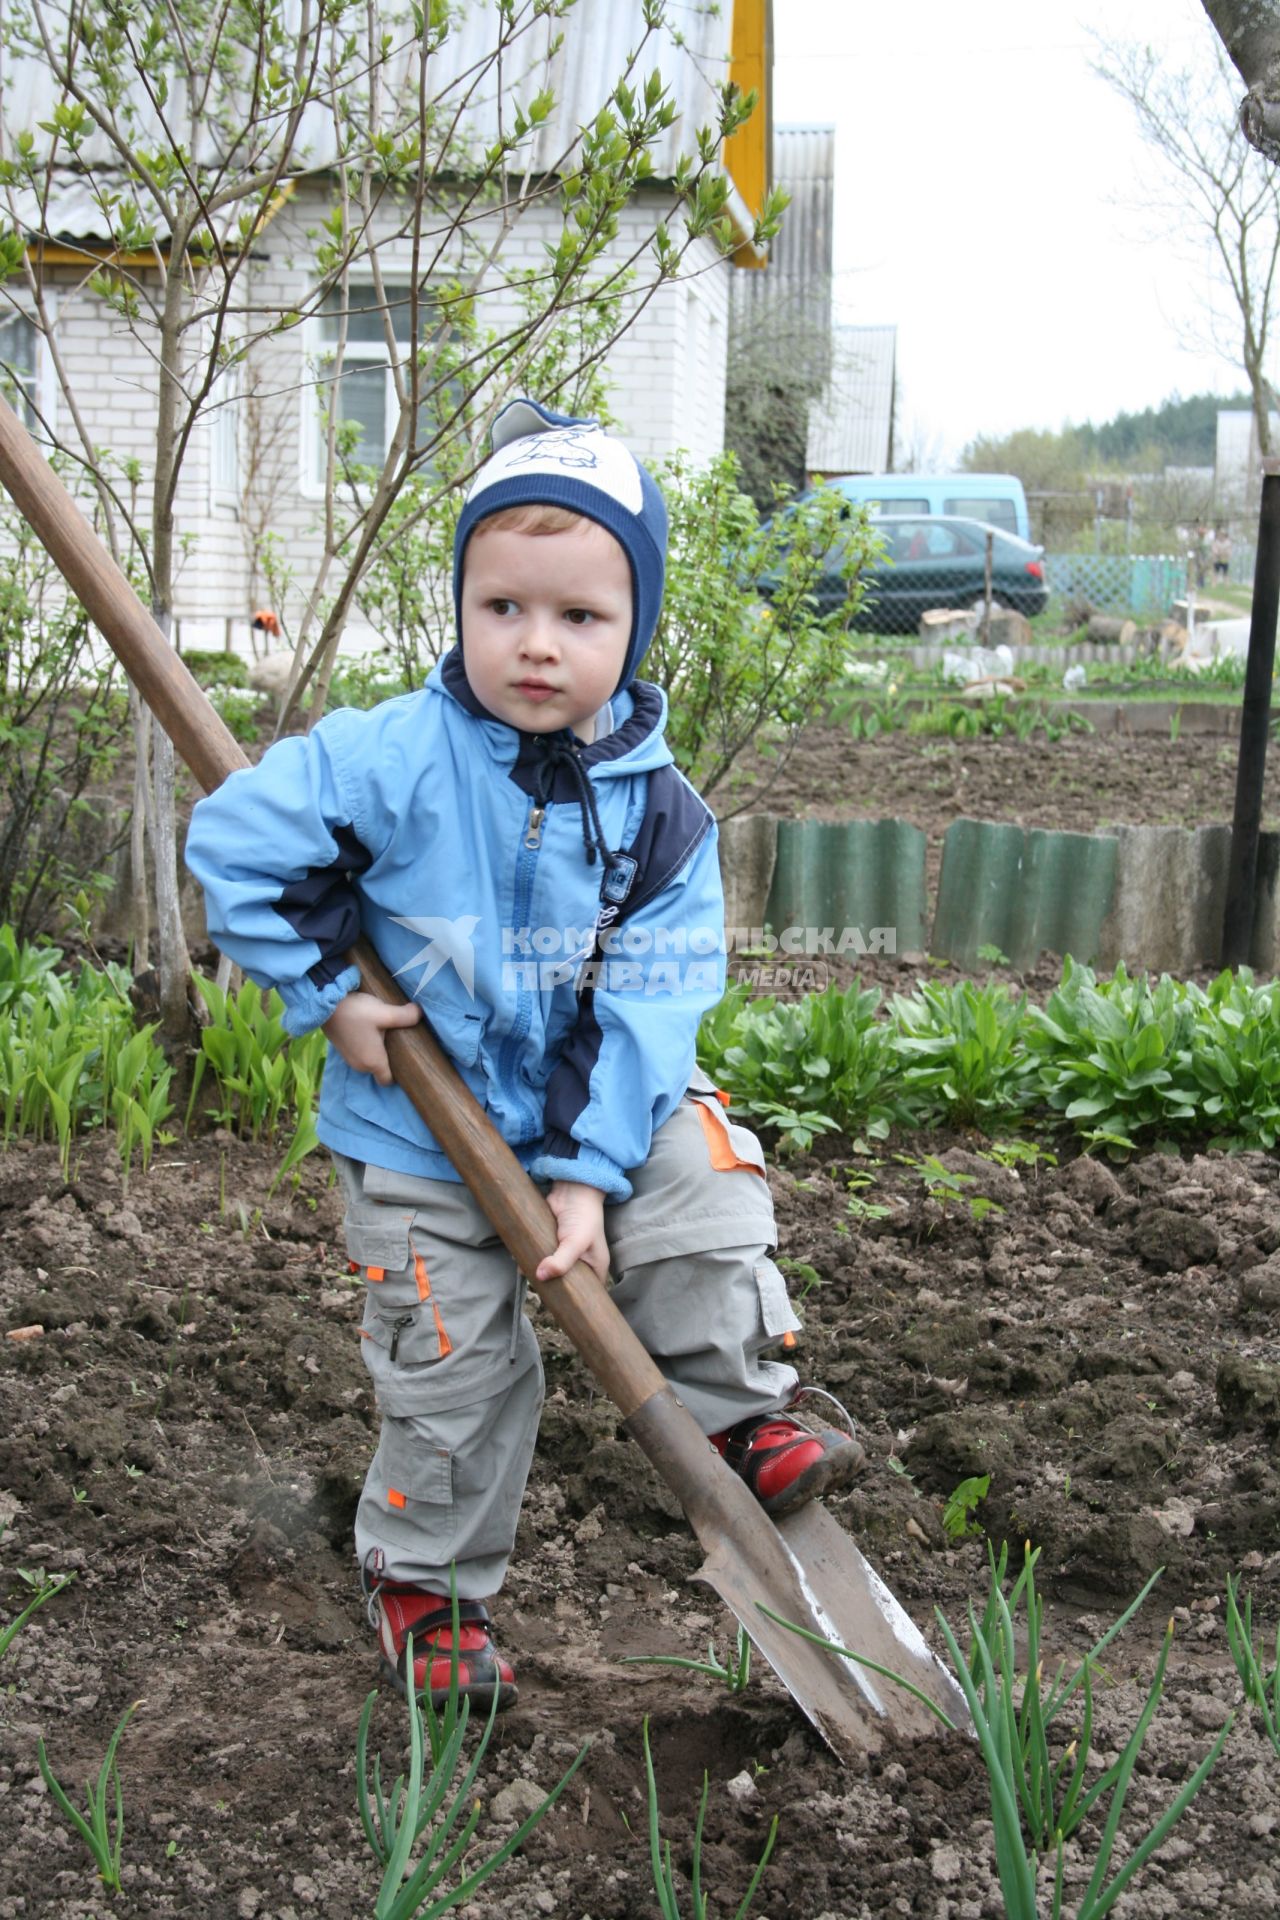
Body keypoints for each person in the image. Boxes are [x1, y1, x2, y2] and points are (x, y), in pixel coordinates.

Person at [185, 398, 864, 1713]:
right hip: (416, 1135)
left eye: (579, 618)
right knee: (457, 1372)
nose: (536, 645)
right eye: (502, 609)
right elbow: (236, 846)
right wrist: (328, 989)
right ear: (460, 606)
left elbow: (655, 1007)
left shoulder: (666, 818)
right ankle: (428, 1591)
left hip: (606, 1099)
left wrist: (587, 1171)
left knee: (708, 1181)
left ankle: (741, 1410)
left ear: (637, 626)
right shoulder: (391, 756)